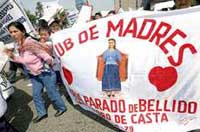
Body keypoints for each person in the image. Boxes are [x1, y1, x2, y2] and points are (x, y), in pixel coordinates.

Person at [4, 22, 67, 123]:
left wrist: (47, 67)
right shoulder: (19, 44)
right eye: (11, 32)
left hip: (45, 73)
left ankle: (61, 108)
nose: (13, 34)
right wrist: (12, 57)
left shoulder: (30, 43)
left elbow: (47, 57)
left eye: (15, 31)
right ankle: (42, 113)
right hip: (34, 75)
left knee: (52, 93)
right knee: (36, 95)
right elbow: (23, 60)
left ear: (23, 31)